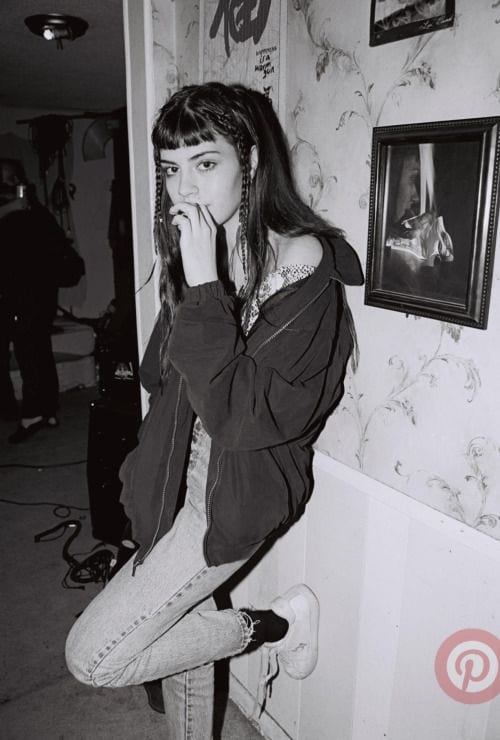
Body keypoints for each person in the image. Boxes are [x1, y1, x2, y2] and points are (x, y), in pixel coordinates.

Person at [65, 82, 363, 736]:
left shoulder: (302, 263)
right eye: (171, 169)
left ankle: (271, 625)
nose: (185, 188)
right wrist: (192, 278)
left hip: (235, 492)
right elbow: (163, 374)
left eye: (205, 163)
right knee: (179, 643)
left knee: (94, 657)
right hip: (177, 471)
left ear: (250, 161)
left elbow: (242, 418)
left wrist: (204, 287)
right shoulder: (214, 244)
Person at [0, 159, 65, 442]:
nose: (11, 183)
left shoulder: (30, 208)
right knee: (37, 350)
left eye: (13, 178)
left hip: (28, 291)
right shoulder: (17, 207)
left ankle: (34, 413)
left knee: (31, 352)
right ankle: (46, 410)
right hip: (29, 290)